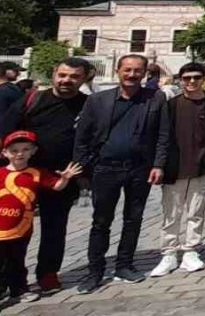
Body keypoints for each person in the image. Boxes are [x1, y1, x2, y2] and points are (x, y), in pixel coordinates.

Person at [0, 58, 88, 294]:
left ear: (84, 79)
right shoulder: (31, 100)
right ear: (54, 74)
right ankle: (5, 281)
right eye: (62, 75)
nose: (66, 80)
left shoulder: (88, 105)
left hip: (60, 178)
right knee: (9, 229)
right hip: (22, 176)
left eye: (74, 76)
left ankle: (48, 273)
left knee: (55, 228)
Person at [73, 54, 169, 293]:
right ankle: (95, 271)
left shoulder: (155, 98)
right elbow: (82, 136)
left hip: (139, 168)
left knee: (133, 218)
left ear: (145, 73)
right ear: (118, 71)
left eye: (138, 70)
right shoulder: (98, 100)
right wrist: (83, 167)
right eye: (127, 70)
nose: (132, 74)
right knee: (101, 221)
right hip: (105, 168)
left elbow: (163, 135)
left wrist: (158, 164)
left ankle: (125, 264)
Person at [0, 131, 82, 313]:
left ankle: (19, 290)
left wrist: (65, 178)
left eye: (25, 149)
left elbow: (56, 186)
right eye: (14, 150)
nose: (20, 153)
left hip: (21, 230)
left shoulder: (36, 173)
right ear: (5, 153)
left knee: (17, 262)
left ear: (33, 151)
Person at [150, 63, 205, 278]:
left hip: (202, 166)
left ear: (203, 78)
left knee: (196, 211)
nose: (191, 82)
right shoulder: (172, 105)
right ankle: (168, 253)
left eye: (196, 77)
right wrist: (158, 164)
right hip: (175, 167)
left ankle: (190, 250)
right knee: (172, 213)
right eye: (187, 78)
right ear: (180, 80)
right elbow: (162, 136)